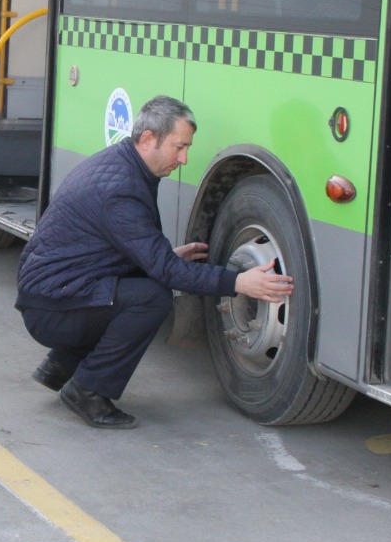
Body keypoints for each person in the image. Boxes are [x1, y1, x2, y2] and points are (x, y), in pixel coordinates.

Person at [15, 95, 293, 428]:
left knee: (146, 283)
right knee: (151, 298)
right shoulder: (120, 189)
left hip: (55, 294)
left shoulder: (122, 165)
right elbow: (165, 272)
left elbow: (109, 248)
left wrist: (164, 257)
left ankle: (60, 366)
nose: (185, 158)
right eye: (179, 147)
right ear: (148, 139)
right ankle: (86, 390)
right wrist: (238, 283)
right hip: (50, 308)